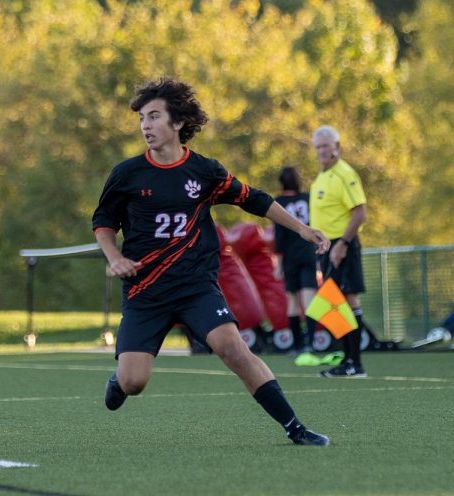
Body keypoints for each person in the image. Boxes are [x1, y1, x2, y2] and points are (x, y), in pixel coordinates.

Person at [92, 77, 331, 446]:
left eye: (154, 117)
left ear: (177, 123)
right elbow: (103, 222)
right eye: (142, 118)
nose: (145, 126)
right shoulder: (127, 174)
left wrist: (302, 229)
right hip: (146, 291)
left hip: (196, 287)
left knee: (233, 348)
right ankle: (119, 379)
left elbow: (256, 199)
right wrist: (115, 256)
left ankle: (295, 427)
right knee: (134, 382)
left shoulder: (204, 172)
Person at [309, 125, 368, 378]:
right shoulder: (322, 176)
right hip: (327, 247)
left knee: (346, 300)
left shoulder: (345, 174)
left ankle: (355, 363)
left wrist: (342, 244)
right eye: (318, 146)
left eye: (326, 146)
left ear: (337, 146)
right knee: (333, 304)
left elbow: (360, 212)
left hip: (342, 245)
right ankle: (348, 360)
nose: (322, 151)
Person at [272, 166, 320, 365]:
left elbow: (279, 236)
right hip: (309, 253)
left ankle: (296, 345)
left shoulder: (279, 203)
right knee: (309, 301)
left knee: (292, 301)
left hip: (290, 256)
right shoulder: (308, 198)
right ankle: (311, 343)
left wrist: (279, 263)